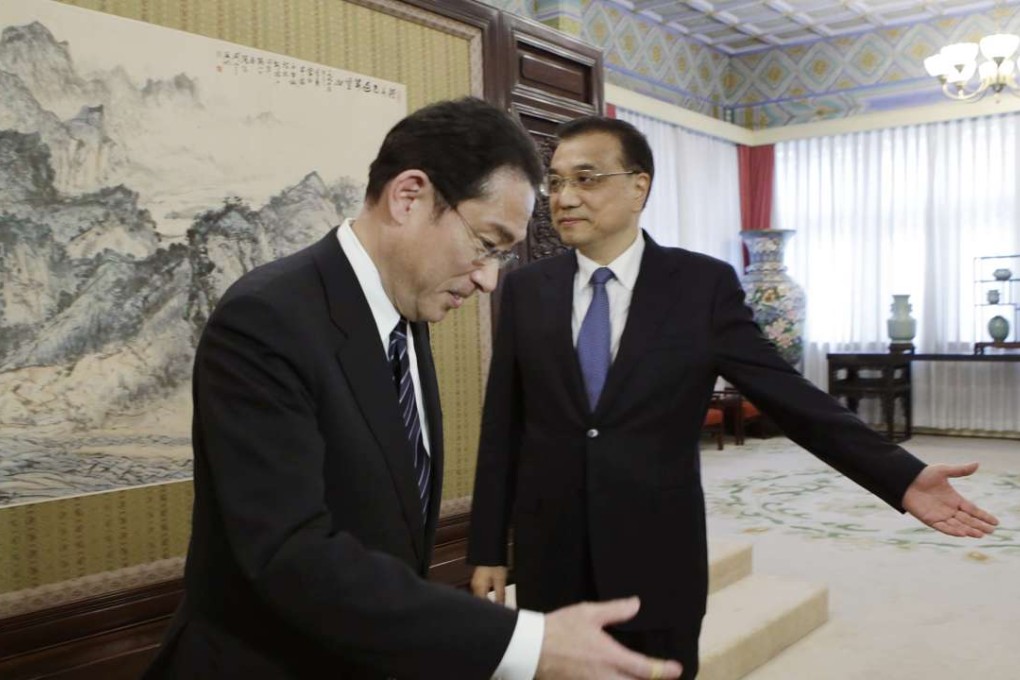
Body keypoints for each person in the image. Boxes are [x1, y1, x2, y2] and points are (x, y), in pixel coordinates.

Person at [143, 99, 684, 680]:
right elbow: (289, 555)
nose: (489, 279)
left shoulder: (405, 316)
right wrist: (527, 643)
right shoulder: (266, 319)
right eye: (487, 243)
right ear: (409, 197)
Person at [466, 115, 999, 680]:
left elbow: (790, 397)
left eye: (587, 178)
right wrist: (487, 548)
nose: (565, 197)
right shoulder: (526, 289)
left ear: (639, 186)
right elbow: (503, 423)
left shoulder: (701, 286)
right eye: (556, 181)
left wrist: (901, 476)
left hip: (656, 554)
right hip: (551, 555)